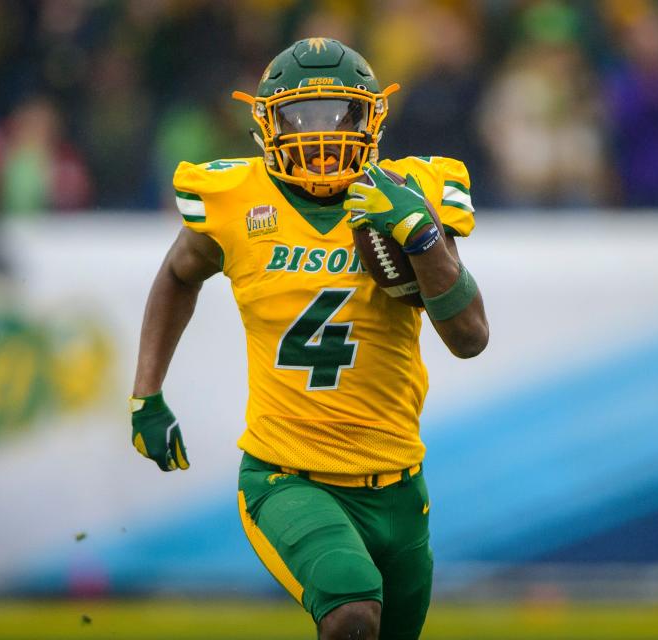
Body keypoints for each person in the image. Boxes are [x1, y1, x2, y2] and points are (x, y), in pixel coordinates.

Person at [129, 38, 488, 640]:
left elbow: (470, 337)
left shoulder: (416, 190)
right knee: (351, 613)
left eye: (337, 116)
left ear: (370, 119)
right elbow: (177, 273)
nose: (321, 137)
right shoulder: (236, 201)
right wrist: (148, 393)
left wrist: (420, 235)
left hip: (399, 483)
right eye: (302, 117)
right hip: (287, 474)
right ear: (268, 123)